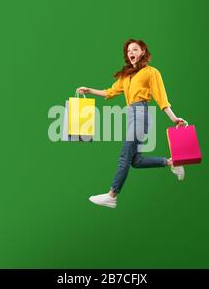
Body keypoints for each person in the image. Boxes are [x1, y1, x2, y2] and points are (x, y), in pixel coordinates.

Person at [76, 39, 187, 209]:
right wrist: (89, 90)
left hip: (141, 114)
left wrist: (174, 118)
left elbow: (161, 97)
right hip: (131, 115)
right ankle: (172, 163)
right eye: (128, 51)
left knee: (124, 157)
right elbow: (110, 91)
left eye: (135, 49)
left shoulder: (151, 72)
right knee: (136, 161)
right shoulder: (126, 76)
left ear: (143, 52)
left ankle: (112, 195)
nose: (131, 53)